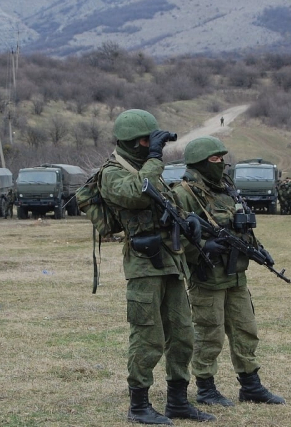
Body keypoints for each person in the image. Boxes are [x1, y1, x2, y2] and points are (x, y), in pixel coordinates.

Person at [100, 109, 214, 424]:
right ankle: (139, 406)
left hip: (171, 261)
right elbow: (138, 193)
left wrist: (189, 220)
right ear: (130, 142)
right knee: (147, 336)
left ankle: (178, 402)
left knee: (182, 334)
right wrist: (154, 156)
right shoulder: (112, 173)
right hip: (143, 265)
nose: (152, 146)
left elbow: (165, 203)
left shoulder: (150, 170)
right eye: (145, 141)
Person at [172, 136, 286, 408]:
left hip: (235, 274)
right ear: (200, 162)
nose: (221, 163)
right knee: (209, 333)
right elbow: (175, 236)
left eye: (222, 158)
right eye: (214, 159)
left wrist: (258, 248)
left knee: (246, 329)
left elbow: (242, 227)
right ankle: (205, 388)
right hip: (207, 276)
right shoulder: (184, 194)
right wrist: (203, 245)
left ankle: (251, 385)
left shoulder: (227, 189)